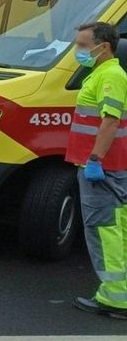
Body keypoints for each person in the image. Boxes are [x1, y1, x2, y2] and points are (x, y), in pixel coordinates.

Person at [67, 21, 127, 319]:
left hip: (102, 168)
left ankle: (115, 299)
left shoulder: (110, 76)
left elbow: (111, 120)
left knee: (104, 230)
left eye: (82, 44)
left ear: (102, 47)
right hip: (107, 166)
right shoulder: (103, 73)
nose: (77, 49)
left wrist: (95, 159)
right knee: (113, 228)